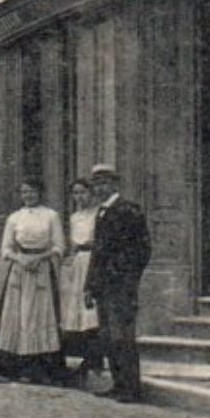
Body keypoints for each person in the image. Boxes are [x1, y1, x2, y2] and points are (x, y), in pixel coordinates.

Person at [84, 163, 152, 403]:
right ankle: (118, 383)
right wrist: (89, 286)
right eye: (97, 184)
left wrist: (124, 276)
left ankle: (132, 388)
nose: (100, 188)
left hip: (120, 286)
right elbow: (97, 253)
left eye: (105, 183)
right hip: (104, 286)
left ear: (115, 184)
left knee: (123, 336)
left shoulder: (128, 210)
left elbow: (142, 250)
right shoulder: (101, 212)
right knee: (109, 336)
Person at [0, 179, 66, 383]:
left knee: (41, 315)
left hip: (42, 268)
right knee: (18, 315)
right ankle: (17, 367)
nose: (28, 196)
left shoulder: (51, 216)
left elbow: (59, 246)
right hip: (19, 269)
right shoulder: (14, 218)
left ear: (40, 193)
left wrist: (40, 258)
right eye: (24, 192)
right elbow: (5, 249)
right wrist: (20, 259)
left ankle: (41, 369)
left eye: (32, 191)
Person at [59, 177, 103, 386]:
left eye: (82, 193)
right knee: (78, 314)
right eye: (75, 193)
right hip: (78, 263)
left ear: (91, 193)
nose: (79, 197)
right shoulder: (74, 217)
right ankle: (86, 357)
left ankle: (96, 360)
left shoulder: (100, 214)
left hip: (93, 261)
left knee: (92, 312)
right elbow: (73, 245)